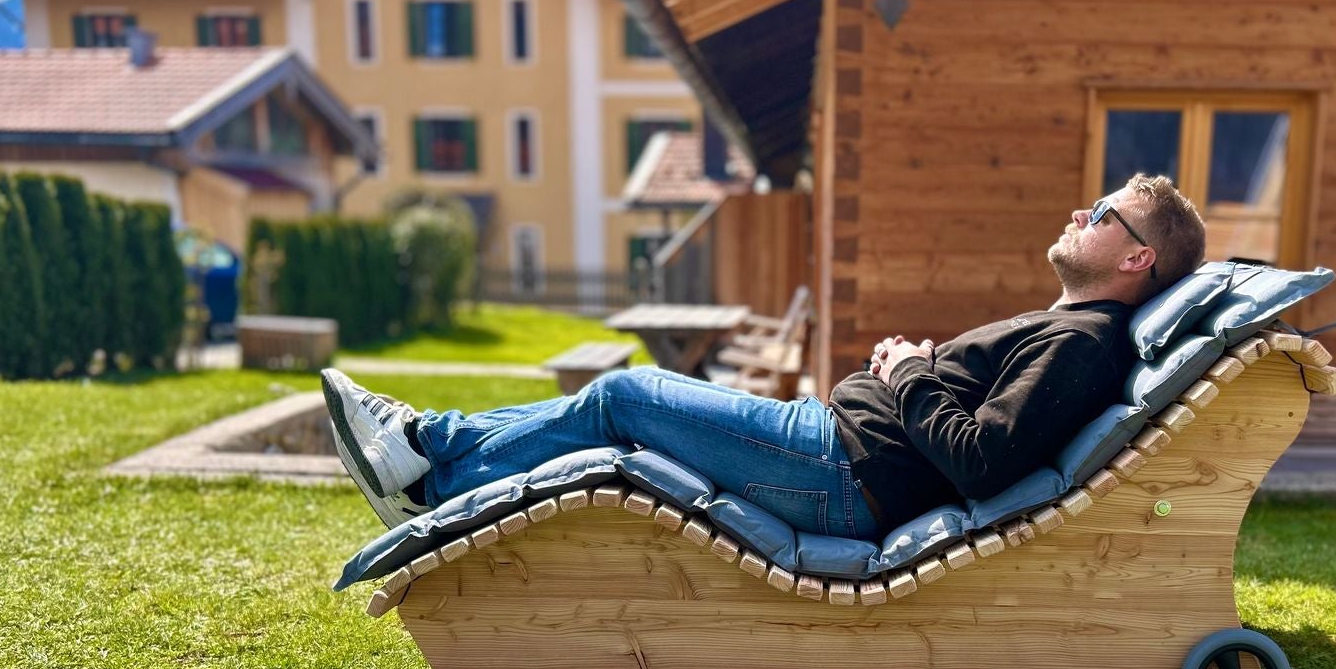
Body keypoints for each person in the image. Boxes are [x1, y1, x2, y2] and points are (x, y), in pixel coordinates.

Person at [324, 172, 1207, 538]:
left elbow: (982, 461)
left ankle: (429, 467)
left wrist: (906, 374)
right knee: (615, 414)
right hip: (830, 449)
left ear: (1137, 259)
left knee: (625, 398)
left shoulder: (1083, 343)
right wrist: (916, 371)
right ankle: (431, 452)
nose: (1080, 213)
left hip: (840, 474)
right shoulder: (1072, 330)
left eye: (1103, 213)